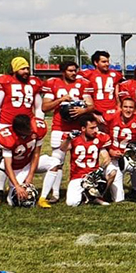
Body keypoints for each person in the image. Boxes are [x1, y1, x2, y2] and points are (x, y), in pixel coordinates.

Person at [41, 60, 95, 203]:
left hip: (77, 127)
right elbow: (45, 107)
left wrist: (83, 110)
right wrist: (61, 99)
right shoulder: (52, 83)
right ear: (63, 71)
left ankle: (82, 190)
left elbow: (91, 106)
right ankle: (56, 193)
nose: (73, 73)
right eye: (70, 70)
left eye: (75, 70)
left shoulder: (83, 83)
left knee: (79, 159)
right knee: (57, 161)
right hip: (59, 128)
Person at [0, 114, 61, 208]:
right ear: (19, 130)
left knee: (55, 163)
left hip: (29, 162)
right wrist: (17, 186)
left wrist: (30, 175)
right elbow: (8, 165)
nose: (32, 130)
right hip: (15, 167)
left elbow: (36, 154)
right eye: (28, 129)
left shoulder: (37, 129)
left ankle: (43, 198)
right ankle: (6, 189)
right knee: (13, 201)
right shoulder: (8, 137)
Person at [104, 97, 136, 203]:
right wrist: (110, 151)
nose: (128, 110)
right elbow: (104, 137)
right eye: (125, 107)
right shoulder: (111, 117)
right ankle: (105, 191)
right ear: (121, 108)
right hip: (115, 159)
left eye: (131, 107)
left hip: (130, 158)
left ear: (135, 109)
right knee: (119, 199)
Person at [62, 118, 119, 206]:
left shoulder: (99, 138)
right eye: (91, 128)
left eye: (95, 127)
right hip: (78, 176)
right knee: (71, 203)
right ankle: (87, 195)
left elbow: (106, 158)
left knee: (112, 171)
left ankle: (99, 196)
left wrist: (99, 170)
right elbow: (63, 148)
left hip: (93, 176)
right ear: (83, 128)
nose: (95, 131)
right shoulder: (74, 138)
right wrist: (68, 139)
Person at [0, 57, 44, 131]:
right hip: (6, 124)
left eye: (27, 68)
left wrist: (39, 123)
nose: (26, 71)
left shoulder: (34, 83)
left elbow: (39, 107)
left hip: (27, 124)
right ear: (15, 70)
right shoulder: (5, 81)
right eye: (23, 69)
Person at [80, 50, 123, 118]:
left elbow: (117, 94)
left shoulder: (115, 74)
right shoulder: (88, 75)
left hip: (112, 111)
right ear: (96, 62)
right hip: (96, 111)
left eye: (108, 61)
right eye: (104, 62)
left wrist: (119, 107)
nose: (107, 64)